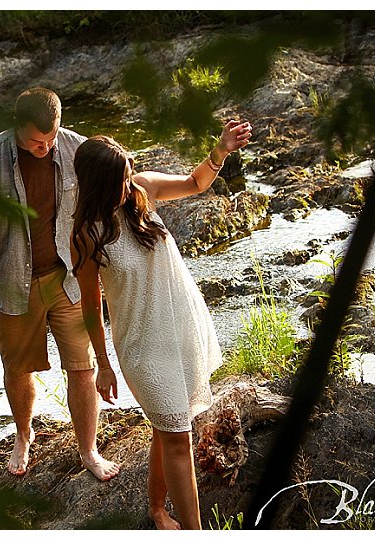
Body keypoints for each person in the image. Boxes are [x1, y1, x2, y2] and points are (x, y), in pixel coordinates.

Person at [70, 120, 252, 529]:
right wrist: (102, 363)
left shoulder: (142, 189)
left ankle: (156, 510)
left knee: (169, 425)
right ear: (97, 183)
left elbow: (195, 182)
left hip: (180, 323)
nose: (127, 183)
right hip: (141, 345)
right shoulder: (86, 234)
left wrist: (220, 150)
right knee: (175, 434)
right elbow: (89, 306)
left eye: (127, 173)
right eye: (118, 178)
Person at [0, 87, 120, 481]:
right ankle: (24, 436)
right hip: (13, 283)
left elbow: (117, 184)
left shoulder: (77, 149)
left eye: (50, 139)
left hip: (67, 278)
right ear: (16, 127)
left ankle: (89, 451)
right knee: (18, 368)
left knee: (82, 367)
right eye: (34, 141)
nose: (44, 148)